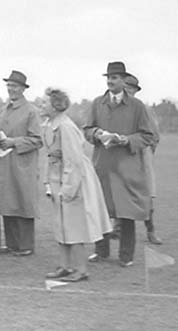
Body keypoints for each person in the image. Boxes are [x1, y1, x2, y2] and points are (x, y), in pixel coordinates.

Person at [84, 62, 155, 267]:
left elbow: (147, 136)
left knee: (127, 212)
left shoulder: (137, 106)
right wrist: (96, 134)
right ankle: (101, 250)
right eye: (108, 77)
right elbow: (87, 129)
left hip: (127, 167)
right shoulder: (98, 103)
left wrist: (126, 140)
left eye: (114, 77)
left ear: (124, 80)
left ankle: (126, 255)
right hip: (102, 165)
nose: (110, 81)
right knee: (101, 209)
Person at [41, 88, 112, 282]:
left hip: (74, 179)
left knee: (74, 224)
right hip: (57, 177)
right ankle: (65, 266)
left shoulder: (66, 126)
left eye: (45, 102)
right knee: (60, 224)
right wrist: (50, 184)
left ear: (56, 105)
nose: (41, 105)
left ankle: (81, 270)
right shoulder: (49, 124)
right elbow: (51, 156)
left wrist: (68, 189)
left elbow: (74, 161)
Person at [0, 70, 43, 256]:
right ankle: (12, 243)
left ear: (23, 88)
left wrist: (14, 142)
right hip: (6, 163)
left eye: (15, 86)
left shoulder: (31, 111)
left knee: (23, 202)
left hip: (23, 164)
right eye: (9, 85)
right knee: (7, 201)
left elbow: (37, 140)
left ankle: (25, 245)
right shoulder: (4, 109)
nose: (11, 89)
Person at [124, 75, 162, 245]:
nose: (127, 91)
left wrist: (146, 151)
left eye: (131, 88)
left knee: (146, 193)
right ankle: (118, 229)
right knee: (120, 190)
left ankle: (151, 230)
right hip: (122, 156)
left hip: (142, 155)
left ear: (135, 90)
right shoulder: (118, 108)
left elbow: (154, 135)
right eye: (125, 87)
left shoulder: (144, 109)